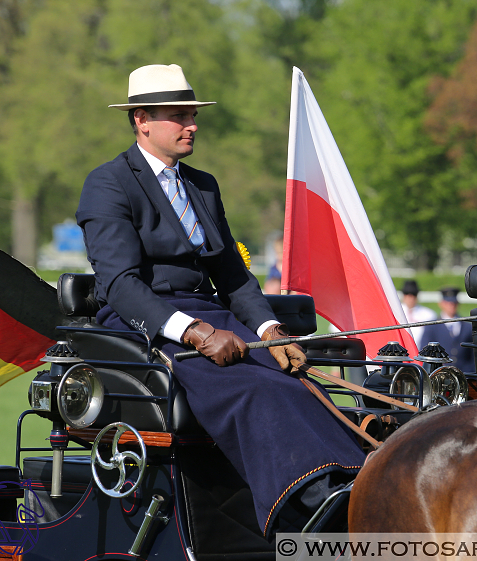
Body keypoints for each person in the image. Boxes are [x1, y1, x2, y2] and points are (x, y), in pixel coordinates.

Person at [75, 64, 365, 539]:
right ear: (141, 120)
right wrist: (195, 332)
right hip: (145, 323)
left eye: (193, 115)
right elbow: (122, 285)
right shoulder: (109, 184)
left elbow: (231, 275)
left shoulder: (202, 185)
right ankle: (312, 508)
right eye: (178, 117)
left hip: (212, 313)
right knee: (256, 390)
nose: (191, 126)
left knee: (297, 380)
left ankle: (351, 481)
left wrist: (270, 333)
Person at [422, 287, 474, 373]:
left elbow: (473, 356)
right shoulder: (431, 327)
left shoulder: (468, 328)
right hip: (439, 375)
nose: (451, 306)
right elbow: (424, 352)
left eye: (453, 303)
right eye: (448, 303)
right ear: (441, 304)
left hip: (465, 374)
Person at [400, 279, 437, 350]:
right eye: (407, 294)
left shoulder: (428, 315)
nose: (411, 298)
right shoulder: (395, 313)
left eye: (414, 294)